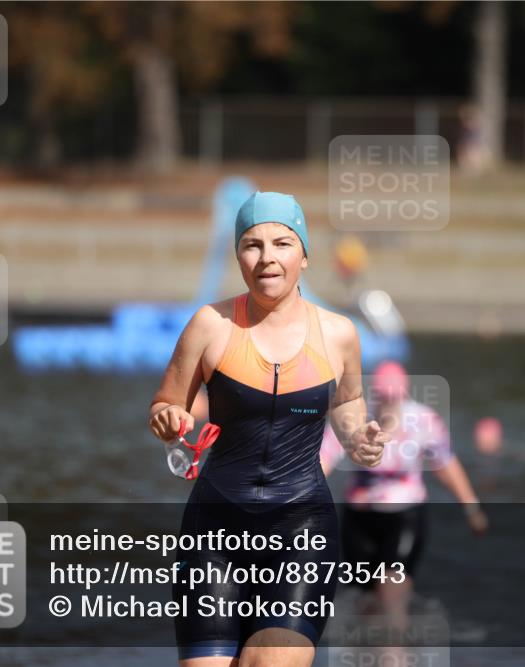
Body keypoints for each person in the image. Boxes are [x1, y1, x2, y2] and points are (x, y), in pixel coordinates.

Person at [148, 191, 391, 667]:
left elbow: (348, 402)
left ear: (304, 255)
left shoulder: (338, 334)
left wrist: (359, 437)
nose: (266, 258)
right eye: (252, 245)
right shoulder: (209, 326)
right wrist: (167, 420)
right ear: (238, 254)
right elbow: (167, 403)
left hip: (302, 532)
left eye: (281, 243)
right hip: (213, 534)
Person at [320, 361, 487, 628]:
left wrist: (471, 508)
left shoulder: (424, 420)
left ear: (404, 395)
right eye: (383, 399)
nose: (388, 405)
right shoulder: (355, 420)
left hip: (405, 517)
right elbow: (323, 461)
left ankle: (395, 653)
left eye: (394, 399)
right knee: (366, 604)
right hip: (359, 519)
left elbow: (445, 466)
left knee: (391, 596)